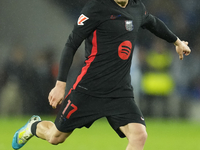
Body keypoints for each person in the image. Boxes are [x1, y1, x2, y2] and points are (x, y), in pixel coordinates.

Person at [12, 0, 191, 150]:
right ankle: (32, 127)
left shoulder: (136, 7)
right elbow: (71, 44)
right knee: (55, 137)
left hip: (119, 91)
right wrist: (60, 84)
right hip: (88, 88)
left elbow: (152, 22)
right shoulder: (96, 8)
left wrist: (176, 41)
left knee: (139, 135)